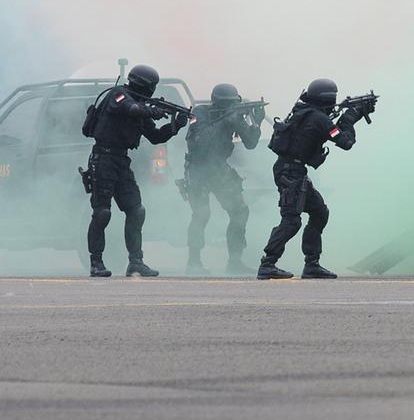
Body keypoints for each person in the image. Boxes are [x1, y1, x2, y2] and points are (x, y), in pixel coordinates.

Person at [258, 78, 375, 280]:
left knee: (319, 212)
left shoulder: (306, 113)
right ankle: (267, 264)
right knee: (291, 221)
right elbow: (345, 142)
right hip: (291, 173)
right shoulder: (318, 119)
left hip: (292, 170)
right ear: (329, 99)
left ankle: (312, 265)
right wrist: (350, 117)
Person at [82, 64, 190, 277]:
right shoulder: (118, 95)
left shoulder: (141, 106)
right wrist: (152, 110)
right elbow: (130, 108)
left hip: (121, 161)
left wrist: (175, 125)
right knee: (102, 213)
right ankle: (96, 262)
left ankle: (136, 261)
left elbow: (156, 137)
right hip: (103, 159)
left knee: (136, 210)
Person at [181, 83, 264, 275]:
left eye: (232, 104)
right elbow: (200, 141)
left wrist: (255, 123)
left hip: (219, 168)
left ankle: (235, 261)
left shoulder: (234, 117)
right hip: (198, 169)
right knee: (201, 215)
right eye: (226, 104)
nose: (229, 107)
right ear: (216, 102)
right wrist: (227, 120)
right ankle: (193, 262)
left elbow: (251, 143)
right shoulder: (200, 112)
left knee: (240, 211)